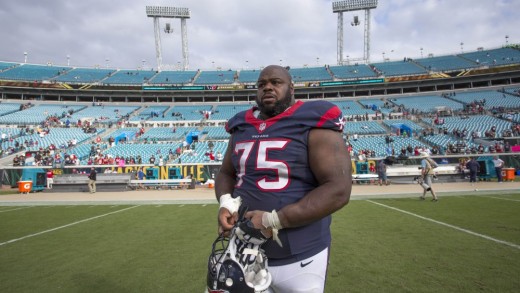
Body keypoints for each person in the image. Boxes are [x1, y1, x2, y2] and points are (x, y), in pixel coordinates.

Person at [214, 65, 352, 293]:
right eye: (261, 84)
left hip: (301, 255)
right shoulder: (241, 125)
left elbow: (338, 189)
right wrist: (226, 202)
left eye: (276, 82)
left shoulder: (312, 120)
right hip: (244, 250)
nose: (267, 87)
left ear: (291, 88)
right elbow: (226, 173)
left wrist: (273, 220)